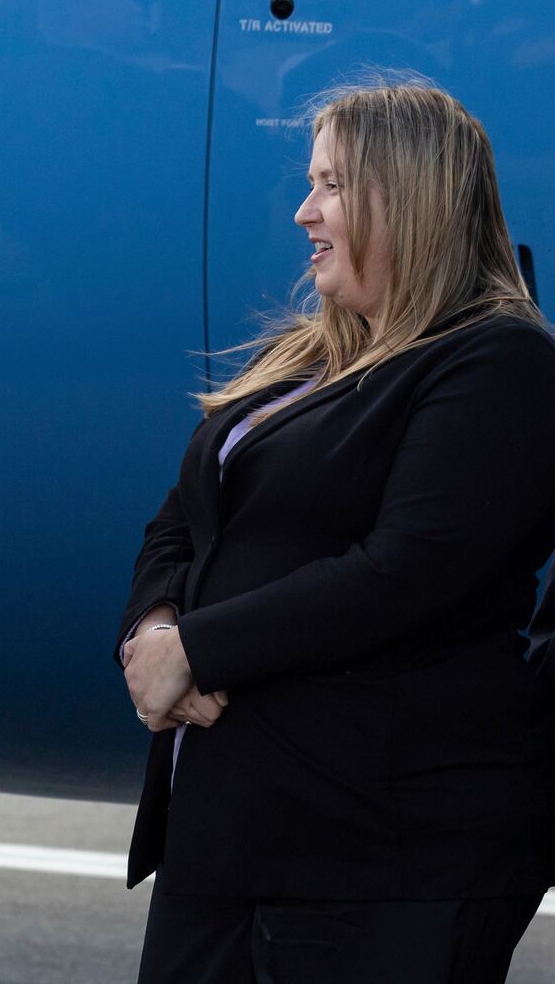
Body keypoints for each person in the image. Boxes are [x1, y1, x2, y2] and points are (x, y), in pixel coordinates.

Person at [118, 80, 555, 983]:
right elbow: (182, 517)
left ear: (413, 196)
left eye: (332, 185)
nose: (302, 211)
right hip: (229, 837)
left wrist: (200, 649)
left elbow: (404, 571)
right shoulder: (310, 354)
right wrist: (154, 628)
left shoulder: (498, 360)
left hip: (379, 849)